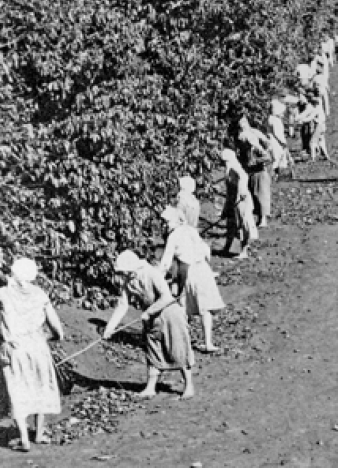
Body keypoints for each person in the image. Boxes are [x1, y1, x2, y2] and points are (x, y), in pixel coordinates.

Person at [0, 258, 63, 452]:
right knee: (40, 385)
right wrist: (49, 338)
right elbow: (57, 329)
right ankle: (38, 433)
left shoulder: (3, 294)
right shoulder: (40, 295)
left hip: (15, 349)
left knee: (17, 389)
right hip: (38, 347)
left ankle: (24, 439)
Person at [104, 251, 196, 399]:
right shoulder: (129, 281)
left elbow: (166, 296)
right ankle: (150, 387)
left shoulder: (151, 274)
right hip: (152, 319)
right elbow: (122, 305)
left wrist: (149, 311)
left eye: (125, 271)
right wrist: (110, 328)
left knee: (179, 349)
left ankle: (189, 386)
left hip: (170, 314)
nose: (124, 274)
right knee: (153, 352)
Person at [159, 207, 225, 353]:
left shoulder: (174, 236)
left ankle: (182, 341)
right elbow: (206, 250)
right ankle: (207, 342)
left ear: (176, 220)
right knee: (205, 308)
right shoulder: (190, 230)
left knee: (183, 306)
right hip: (203, 269)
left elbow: (166, 262)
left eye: (167, 221)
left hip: (189, 271)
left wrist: (159, 277)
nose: (165, 225)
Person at [220, 148, 258, 259]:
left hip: (241, 202)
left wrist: (241, 193)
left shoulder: (235, 169)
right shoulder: (230, 169)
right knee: (231, 224)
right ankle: (227, 247)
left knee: (243, 225)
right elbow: (230, 190)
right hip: (233, 200)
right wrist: (226, 206)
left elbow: (243, 179)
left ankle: (244, 250)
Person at [236, 117, 273, 228]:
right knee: (253, 194)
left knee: (262, 195)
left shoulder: (256, 148)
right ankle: (258, 218)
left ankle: (263, 219)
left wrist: (256, 161)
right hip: (251, 172)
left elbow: (268, 158)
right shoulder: (245, 150)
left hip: (260, 171)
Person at [296, 94, 330, 162]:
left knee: (312, 142)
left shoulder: (315, 109)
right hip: (323, 126)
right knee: (321, 141)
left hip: (319, 126)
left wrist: (302, 120)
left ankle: (313, 158)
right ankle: (326, 155)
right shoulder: (320, 108)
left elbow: (310, 117)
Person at [268, 99, 293, 179]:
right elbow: (277, 133)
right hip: (276, 142)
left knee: (277, 157)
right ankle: (275, 175)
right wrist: (283, 142)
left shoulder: (270, 118)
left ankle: (277, 175)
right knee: (277, 158)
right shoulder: (275, 120)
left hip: (272, 141)